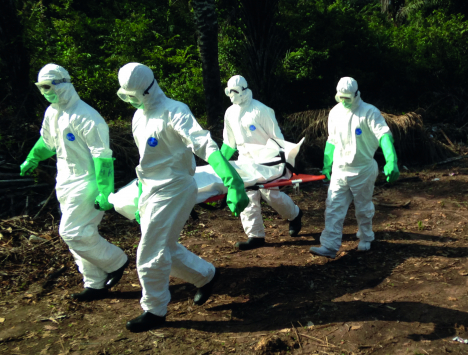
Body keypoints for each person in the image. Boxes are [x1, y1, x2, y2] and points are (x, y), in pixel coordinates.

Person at [116, 63, 249, 332]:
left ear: (148, 89)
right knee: (164, 246)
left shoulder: (175, 111)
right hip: (152, 189)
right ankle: (206, 276)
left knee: (150, 251)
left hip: (175, 187)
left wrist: (232, 180)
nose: (130, 101)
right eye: (125, 96)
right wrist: (142, 196)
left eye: (133, 96)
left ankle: (154, 309)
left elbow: (203, 144)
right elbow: (146, 162)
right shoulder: (139, 117)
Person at [20, 64, 129, 301]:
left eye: (48, 86)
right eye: (41, 88)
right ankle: (95, 284)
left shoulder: (87, 116)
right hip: (65, 181)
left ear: (63, 83)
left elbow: (103, 156)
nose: (45, 91)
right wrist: (32, 157)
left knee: (71, 232)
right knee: (80, 236)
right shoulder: (52, 113)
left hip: (87, 181)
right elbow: (47, 142)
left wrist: (105, 191)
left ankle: (116, 260)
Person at [310, 77, 399, 259]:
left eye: (347, 98)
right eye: (340, 98)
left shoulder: (369, 112)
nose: (344, 101)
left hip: (363, 169)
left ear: (356, 95)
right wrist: (327, 164)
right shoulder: (335, 113)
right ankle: (329, 245)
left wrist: (391, 160)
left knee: (362, 207)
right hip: (340, 169)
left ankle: (366, 236)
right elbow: (332, 140)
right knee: (333, 206)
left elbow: (384, 136)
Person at [221, 75, 303, 251]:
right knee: (248, 195)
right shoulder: (230, 113)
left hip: (266, 160)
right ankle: (255, 235)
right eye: (228, 91)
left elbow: (277, 139)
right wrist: (220, 163)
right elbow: (229, 143)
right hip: (245, 160)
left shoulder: (261, 110)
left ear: (244, 90)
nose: (231, 95)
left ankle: (295, 214)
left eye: (234, 91)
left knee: (271, 195)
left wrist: (284, 163)